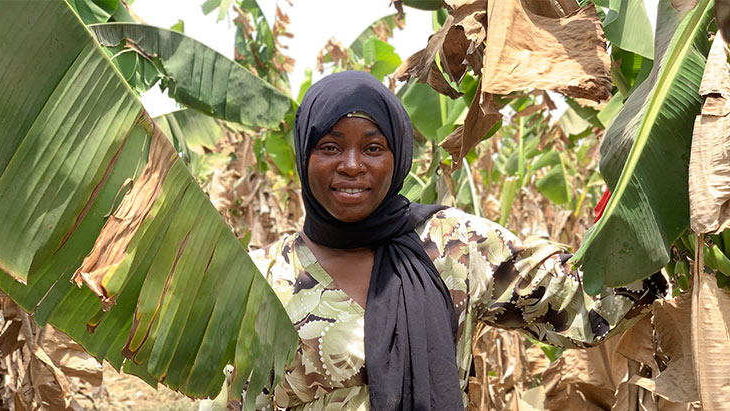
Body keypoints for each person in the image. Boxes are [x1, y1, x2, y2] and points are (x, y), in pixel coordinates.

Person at [225, 71, 664, 410]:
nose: (352, 165)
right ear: (305, 156)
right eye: (330, 147)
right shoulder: (263, 277)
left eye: (373, 148)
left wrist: (653, 209)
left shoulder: (455, 245)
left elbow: (578, 303)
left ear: (398, 156)